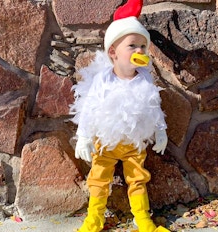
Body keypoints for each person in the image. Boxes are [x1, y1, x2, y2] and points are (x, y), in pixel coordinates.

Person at [70, 0, 169, 231]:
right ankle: (94, 216)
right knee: (99, 178)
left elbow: (154, 104)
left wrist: (160, 131)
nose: (140, 51)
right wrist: (83, 137)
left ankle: (142, 217)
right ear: (113, 52)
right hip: (105, 141)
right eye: (132, 46)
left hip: (134, 142)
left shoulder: (145, 77)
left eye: (143, 47)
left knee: (138, 178)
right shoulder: (103, 79)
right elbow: (89, 107)